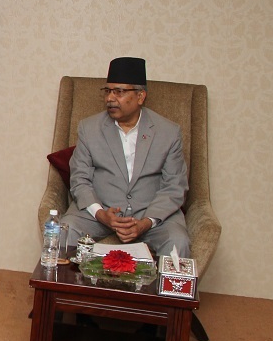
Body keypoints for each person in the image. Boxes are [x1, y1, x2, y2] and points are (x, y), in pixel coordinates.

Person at [61, 58, 190, 258]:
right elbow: (79, 179)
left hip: (150, 214)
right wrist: (101, 214)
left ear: (140, 96)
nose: (110, 98)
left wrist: (146, 222)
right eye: (107, 91)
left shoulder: (168, 132)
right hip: (100, 212)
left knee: (178, 240)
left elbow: (174, 186)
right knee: (64, 231)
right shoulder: (89, 128)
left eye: (119, 92)